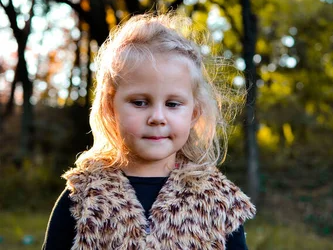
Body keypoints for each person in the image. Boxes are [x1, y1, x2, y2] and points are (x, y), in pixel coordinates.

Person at [42, 13, 256, 249]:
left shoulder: (218, 202)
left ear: (194, 113)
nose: (157, 117)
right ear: (110, 107)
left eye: (172, 104)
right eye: (140, 102)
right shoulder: (83, 196)